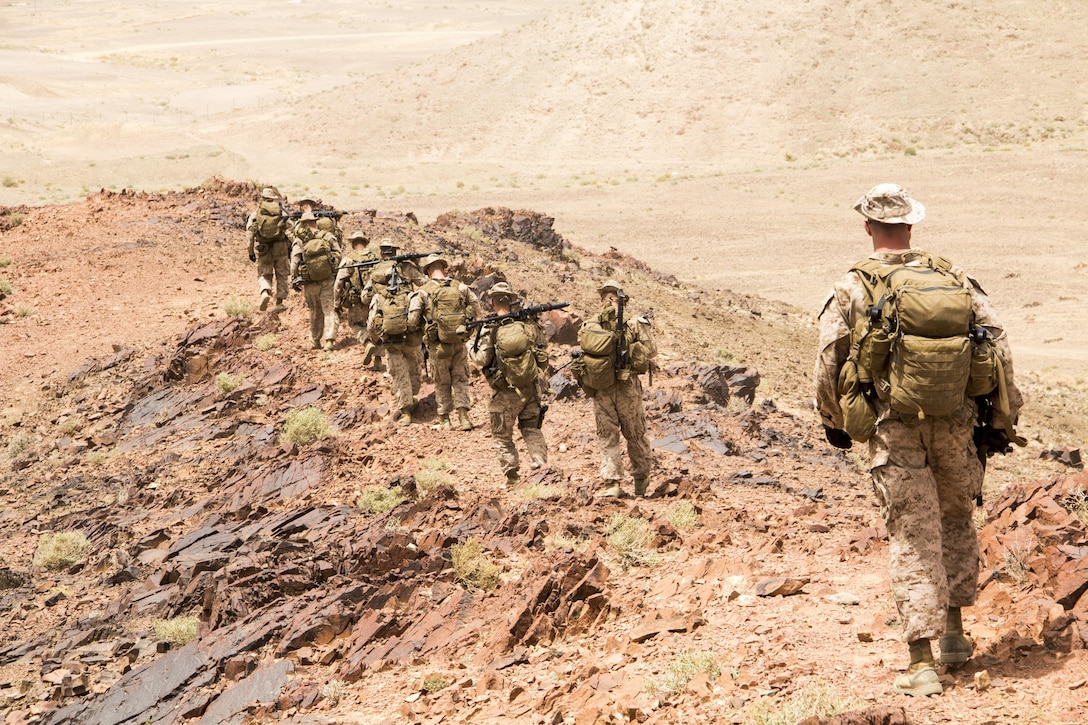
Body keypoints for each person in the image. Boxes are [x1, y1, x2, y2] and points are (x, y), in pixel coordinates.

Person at [814, 183, 1023, 697]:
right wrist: (1002, 420)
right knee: (955, 519)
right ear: (913, 224)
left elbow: (827, 363)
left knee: (912, 533)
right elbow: (1000, 351)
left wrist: (835, 420)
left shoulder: (852, 288)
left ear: (867, 225)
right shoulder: (956, 281)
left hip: (892, 428)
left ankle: (921, 662)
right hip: (957, 423)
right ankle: (954, 635)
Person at [577, 280, 657, 498]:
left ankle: (612, 484)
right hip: (627, 388)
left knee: (607, 436)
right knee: (636, 434)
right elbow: (651, 351)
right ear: (623, 301)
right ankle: (641, 481)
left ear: (601, 300)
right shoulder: (634, 324)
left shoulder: (588, 326)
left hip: (601, 389)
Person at [469, 282, 548, 487]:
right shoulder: (527, 324)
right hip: (531, 387)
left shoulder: (491, 327)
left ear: (493, 301)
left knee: (502, 435)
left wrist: (469, 345)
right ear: (511, 300)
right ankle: (539, 462)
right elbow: (542, 349)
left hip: (505, 392)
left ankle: (512, 476)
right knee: (531, 428)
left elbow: (481, 359)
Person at [416, 254, 482, 431]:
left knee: (441, 382)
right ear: (444, 268)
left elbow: (413, 318)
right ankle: (464, 417)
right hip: (459, 342)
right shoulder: (459, 286)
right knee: (460, 379)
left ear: (428, 271)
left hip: (437, 346)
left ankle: (445, 419)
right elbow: (476, 307)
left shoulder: (423, 291)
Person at [367, 239, 425, 425]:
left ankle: (405, 410)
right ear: (395, 250)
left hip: (390, 336)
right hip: (411, 331)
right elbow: (425, 283)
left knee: (398, 374)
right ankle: (412, 396)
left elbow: (367, 307)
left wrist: (376, 341)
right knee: (415, 367)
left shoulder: (375, 272)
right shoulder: (406, 268)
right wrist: (416, 264)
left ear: (381, 252)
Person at [289, 211, 342, 351]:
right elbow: (339, 254)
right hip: (327, 279)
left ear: (303, 224)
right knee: (329, 308)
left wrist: (293, 279)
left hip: (310, 281)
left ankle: (315, 340)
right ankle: (330, 339)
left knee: (314, 311)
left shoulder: (299, 240)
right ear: (315, 222)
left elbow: (294, 261)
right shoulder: (327, 236)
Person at [246, 187, 290, 311]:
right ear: (273, 199)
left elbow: (250, 235)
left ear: (262, 198)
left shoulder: (256, 214)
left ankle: (265, 292)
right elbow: (290, 228)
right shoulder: (281, 212)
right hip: (281, 248)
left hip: (264, 249)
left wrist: (250, 252)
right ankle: (280, 302)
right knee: (282, 275)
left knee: (264, 274)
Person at [334, 230, 379, 352]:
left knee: (356, 325)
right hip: (374, 300)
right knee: (376, 327)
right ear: (365, 243)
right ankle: (378, 359)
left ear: (353, 244)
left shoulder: (349, 260)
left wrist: (336, 303)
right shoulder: (375, 258)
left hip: (356, 302)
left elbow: (339, 282)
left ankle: (367, 342)